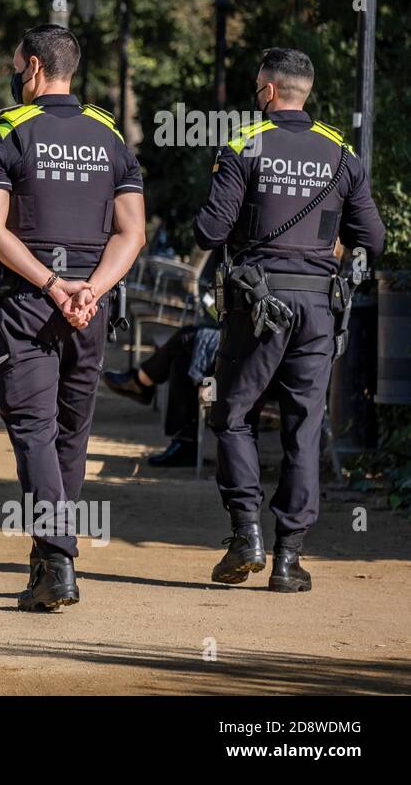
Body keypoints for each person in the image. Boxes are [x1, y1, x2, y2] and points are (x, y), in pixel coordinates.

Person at [194, 47, 385, 593]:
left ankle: (245, 534)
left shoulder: (241, 146)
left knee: (233, 416)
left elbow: (210, 231)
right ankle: (288, 558)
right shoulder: (341, 153)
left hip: (256, 304)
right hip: (318, 307)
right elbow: (374, 237)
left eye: (257, 88)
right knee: (303, 428)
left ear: (269, 92)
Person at [0, 24, 146, 612]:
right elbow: (133, 231)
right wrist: (90, 290)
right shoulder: (110, 134)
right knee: (71, 433)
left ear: (34, 68)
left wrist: (52, 284)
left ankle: (55, 558)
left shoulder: (7, 130)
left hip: (28, 300)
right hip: (90, 308)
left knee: (33, 429)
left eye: (14, 63)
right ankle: (50, 559)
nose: (12, 73)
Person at [104, 324, 220, 467]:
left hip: (243, 357)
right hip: (234, 342)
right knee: (180, 361)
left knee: (185, 337)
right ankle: (185, 443)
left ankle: (141, 381)